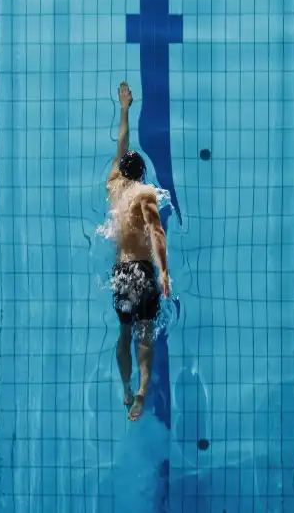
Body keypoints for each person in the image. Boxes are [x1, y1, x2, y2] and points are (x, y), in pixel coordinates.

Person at [106, 81, 171, 422]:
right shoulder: (146, 193)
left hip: (121, 272)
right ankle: (143, 390)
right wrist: (164, 270)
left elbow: (122, 143)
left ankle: (127, 387)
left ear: (120, 171)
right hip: (143, 271)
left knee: (125, 331)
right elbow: (157, 232)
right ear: (142, 174)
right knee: (146, 332)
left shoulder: (115, 188)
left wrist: (124, 108)